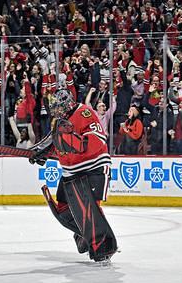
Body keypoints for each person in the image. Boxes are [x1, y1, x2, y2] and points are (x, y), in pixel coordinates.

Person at [29, 90, 118, 263]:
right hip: (71, 172)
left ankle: (104, 247)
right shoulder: (59, 122)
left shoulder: (84, 112)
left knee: (90, 207)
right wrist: (42, 154)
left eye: (57, 107)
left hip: (93, 167)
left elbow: (98, 139)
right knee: (64, 208)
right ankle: (83, 235)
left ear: (66, 104)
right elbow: (59, 147)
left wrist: (76, 144)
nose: (55, 111)